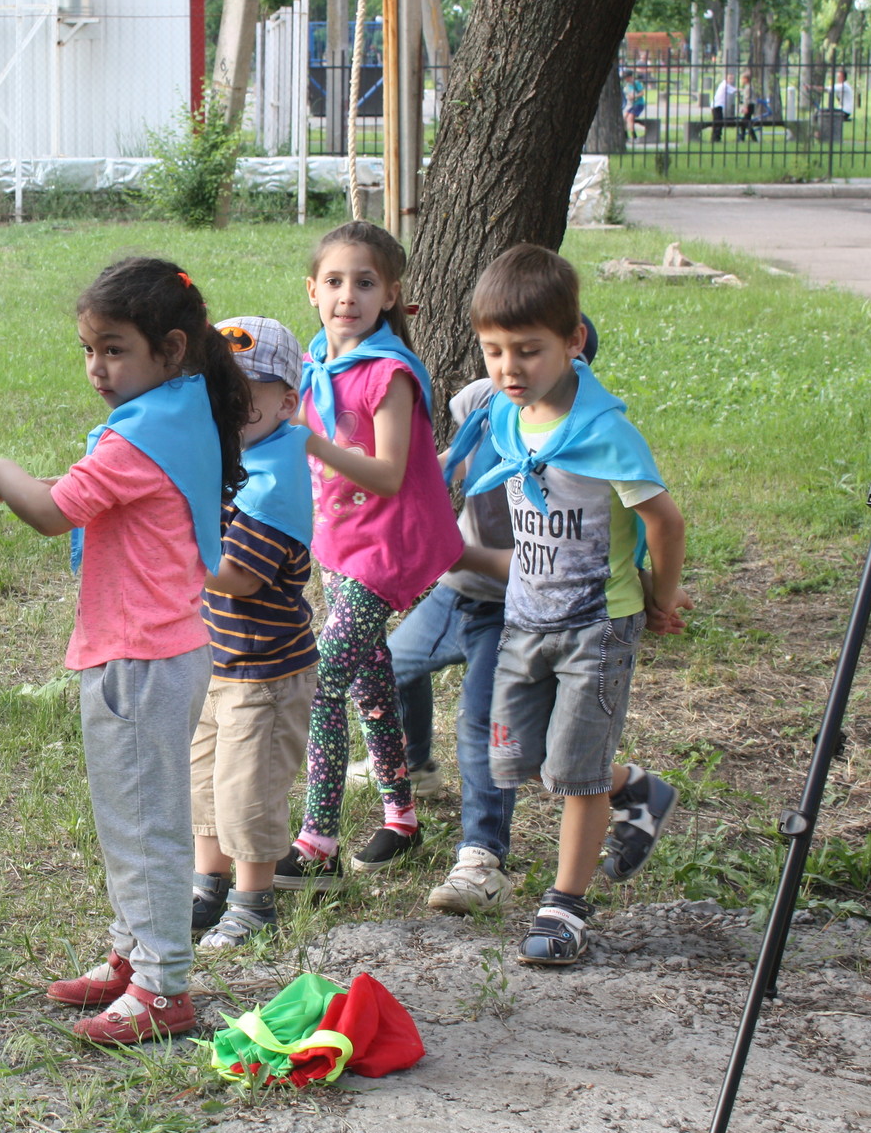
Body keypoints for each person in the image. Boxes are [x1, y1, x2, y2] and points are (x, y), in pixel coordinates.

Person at [0, 259, 250, 1044]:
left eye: (114, 349)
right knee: (129, 818)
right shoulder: (181, 410)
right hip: (159, 652)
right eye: (88, 349)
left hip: (139, 663)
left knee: (146, 825)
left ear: (172, 349)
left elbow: (54, 513)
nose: (96, 369)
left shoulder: (139, 436)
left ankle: (162, 990)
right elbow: (96, 493)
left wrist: (0, 471)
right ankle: (132, 954)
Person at [454, 243, 689, 966]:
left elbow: (665, 520)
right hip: (525, 618)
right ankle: (640, 791)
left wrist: (662, 595)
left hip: (597, 625)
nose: (509, 369)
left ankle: (565, 908)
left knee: (574, 774)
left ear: (573, 341)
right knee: (518, 763)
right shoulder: (504, 417)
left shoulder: (604, 434)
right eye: (494, 352)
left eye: (528, 351)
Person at [374, 315, 599, 916]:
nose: (516, 377)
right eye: (504, 358)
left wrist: (447, 546)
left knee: (483, 727)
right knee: (388, 666)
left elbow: (536, 565)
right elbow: (441, 462)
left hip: (510, 611)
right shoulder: (484, 404)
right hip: (456, 592)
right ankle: (416, 766)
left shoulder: (575, 454)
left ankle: (483, 859)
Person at [274, 221, 463, 894]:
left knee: (321, 680)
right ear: (312, 291)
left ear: (390, 295)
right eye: (333, 281)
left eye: (364, 282)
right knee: (366, 678)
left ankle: (316, 840)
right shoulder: (312, 364)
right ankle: (402, 818)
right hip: (338, 541)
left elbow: (386, 474)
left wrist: (311, 446)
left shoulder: (388, 374)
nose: (347, 295)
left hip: (388, 544)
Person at [190, 316, 318, 949]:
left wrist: (173, 545)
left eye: (250, 393)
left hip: (268, 672)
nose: (234, 405)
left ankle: (254, 900)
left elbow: (238, 576)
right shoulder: (235, 457)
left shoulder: (274, 478)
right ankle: (208, 883)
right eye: (222, 391)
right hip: (220, 661)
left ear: (286, 401)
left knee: (248, 789)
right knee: (206, 778)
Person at [623, 72, 647, 139]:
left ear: (630, 77)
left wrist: (635, 96)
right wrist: (629, 97)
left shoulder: (636, 83)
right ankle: (625, 135)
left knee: (630, 118)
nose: (626, 79)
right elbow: (627, 94)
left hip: (639, 104)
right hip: (632, 104)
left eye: (627, 78)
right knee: (625, 117)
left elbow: (642, 93)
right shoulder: (627, 86)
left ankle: (634, 136)